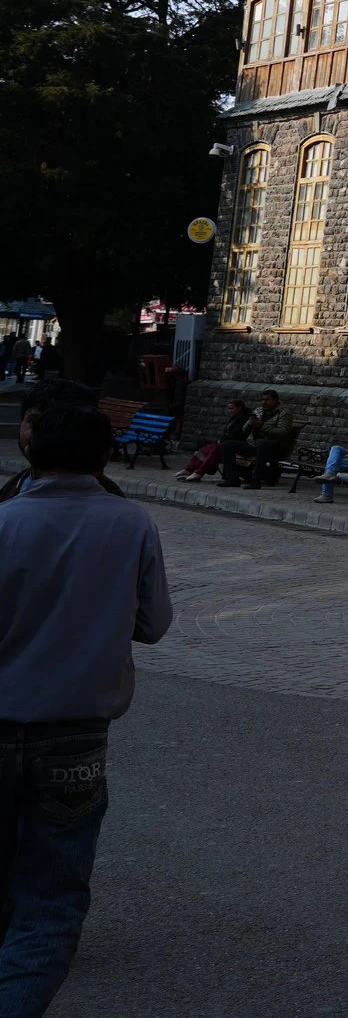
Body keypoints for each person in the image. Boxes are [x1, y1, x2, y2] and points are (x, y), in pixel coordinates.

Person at [0, 384, 173, 1014]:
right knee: (51, 902)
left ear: (33, 449)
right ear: (105, 459)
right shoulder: (130, 522)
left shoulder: (4, 520)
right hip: (75, 736)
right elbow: (154, 623)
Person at [225, 388, 297, 488]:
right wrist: (250, 423)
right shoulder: (259, 410)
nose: (264, 402)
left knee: (262, 444)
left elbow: (283, 432)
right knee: (227, 445)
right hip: (255, 444)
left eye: (267, 400)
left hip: (274, 446)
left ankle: (255, 481)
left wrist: (261, 425)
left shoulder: (284, 413)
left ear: (275, 400)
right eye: (263, 400)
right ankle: (232, 479)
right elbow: (244, 431)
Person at [179, 398, 251, 481]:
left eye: (232, 408)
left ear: (239, 408)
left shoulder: (242, 418)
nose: (230, 411)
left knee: (214, 450)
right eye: (229, 408)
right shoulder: (234, 418)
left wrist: (222, 440)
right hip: (226, 441)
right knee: (205, 448)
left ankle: (199, 472)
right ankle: (189, 469)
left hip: (234, 444)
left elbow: (237, 434)